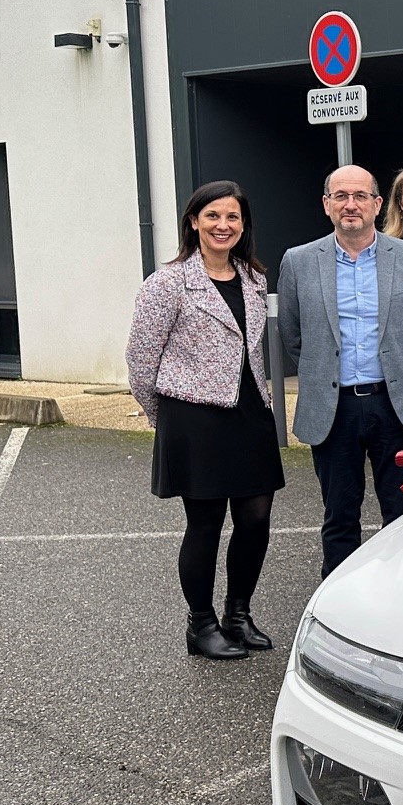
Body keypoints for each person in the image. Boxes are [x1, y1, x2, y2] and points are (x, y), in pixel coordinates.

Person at [125, 181, 285, 660]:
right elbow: (140, 360)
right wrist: (167, 421)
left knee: (256, 518)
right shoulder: (168, 283)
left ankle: (239, 615)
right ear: (193, 221)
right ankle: (201, 625)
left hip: (250, 411)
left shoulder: (254, 279)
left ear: (243, 225)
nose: (223, 226)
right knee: (206, 522)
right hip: (194, 418)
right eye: (213, 216)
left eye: (232, 217)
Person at [278, 166, 403, 578]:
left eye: (361, 196)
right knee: (339, 516)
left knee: (401, 513)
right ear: (326, 204)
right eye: (341, 196)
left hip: (396, 404)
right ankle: (340, 609)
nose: (351, 205)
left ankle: (398, 599)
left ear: (378, 205)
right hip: (334, 407)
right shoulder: (299, 261)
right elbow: (293, 335)